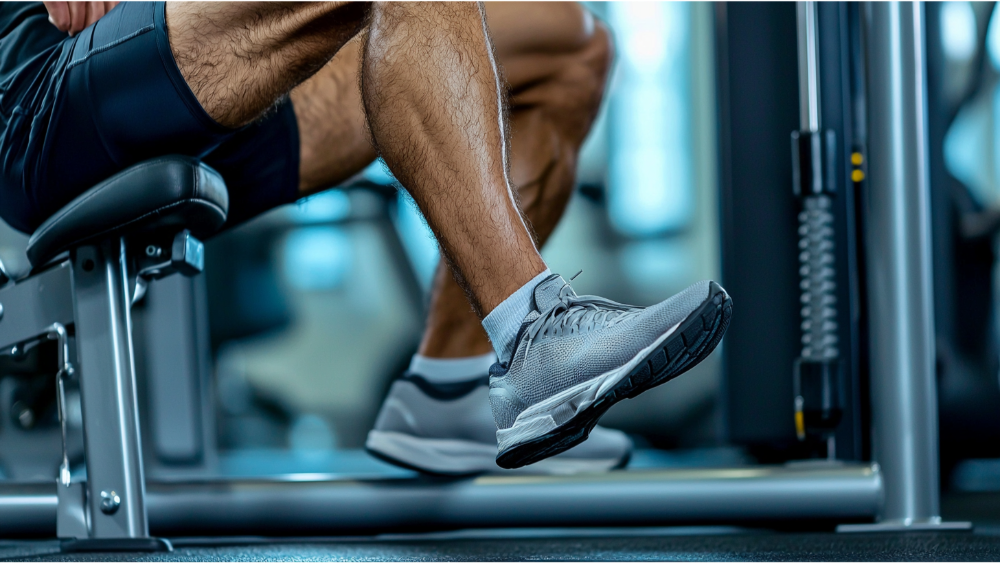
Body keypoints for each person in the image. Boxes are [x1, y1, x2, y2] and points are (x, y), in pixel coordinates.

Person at [0, 0, 731, 473]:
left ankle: (452, 391)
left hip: (204, 77)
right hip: (40, 93)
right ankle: (531, 330)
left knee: (571, 44)